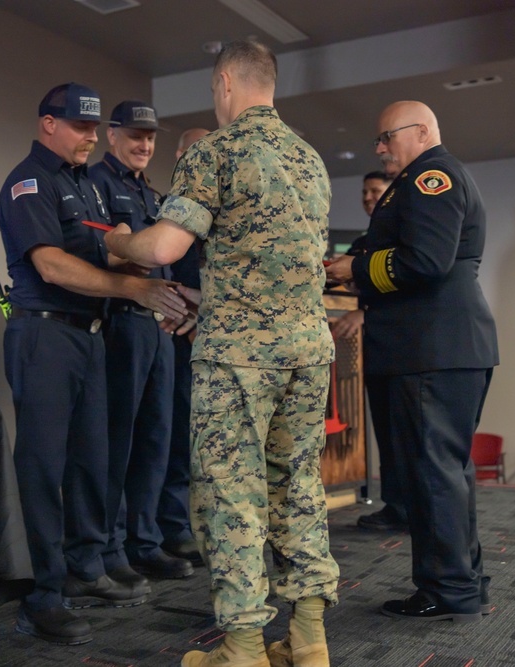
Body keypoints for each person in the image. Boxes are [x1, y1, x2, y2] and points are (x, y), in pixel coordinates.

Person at [104, 40, 339, 667]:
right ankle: (310, 641)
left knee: (232, 500)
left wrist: (121, 243)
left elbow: (162, 248)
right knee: (299, 490)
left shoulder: (216, 150)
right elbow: (284, 265)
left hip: (239, 359)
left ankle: (242, 651)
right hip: (309, 351)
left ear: (224, 84)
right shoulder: (309, 159)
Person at [0, 83, 188, 644]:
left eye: (91, 126)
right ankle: (43, 595)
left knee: (91, 462)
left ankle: (85, 567)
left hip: (91, 335)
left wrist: (161, 285)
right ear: (47, 124)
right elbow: (52, 265)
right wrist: (133, 291)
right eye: (78, 126)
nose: (86, 135)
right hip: (45, 334)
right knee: (44, 468)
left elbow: (109, 246)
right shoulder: (29, 182)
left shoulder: (85, 186)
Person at [326, 100, 499, 622]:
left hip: (432, 348)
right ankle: (461, 581)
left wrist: (354, 267)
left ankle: (449, 589)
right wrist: (355, 265)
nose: (379, 149)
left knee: (433, 474)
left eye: (386, 138)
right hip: (439, 347)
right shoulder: (422, 178)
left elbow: (424, 261)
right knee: (446, 472)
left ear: (421, 132)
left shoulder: (433, 177)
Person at [88, 101, 195, 582]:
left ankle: (144, 541)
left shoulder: (151, 194)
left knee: (157, 436)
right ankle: (109, 547)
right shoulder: (96, 185)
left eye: (150, 137)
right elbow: (103, 254)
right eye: (134, 135)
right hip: (121, 323)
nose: (144, 145)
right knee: (118, 441)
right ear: (112, 136)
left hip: (158, 327)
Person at [328, 172, 409, 533]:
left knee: (407, 434)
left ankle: (415, 510)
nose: (367, 197)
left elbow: (407, 288)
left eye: (375, 191)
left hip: (404, 350)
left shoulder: (402, 238)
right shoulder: (363, 242)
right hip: (371, 355)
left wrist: (364, 313)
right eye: (364, 192)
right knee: (386, 432)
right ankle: (396, 506)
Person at [155, 128, 212, 567]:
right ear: (178, 156)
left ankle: (189, 525)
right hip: (168, 334)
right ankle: (167, 527)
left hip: (209, 336)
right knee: (169, 434)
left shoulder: (222, 207)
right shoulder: (162, 207)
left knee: (200, 442)